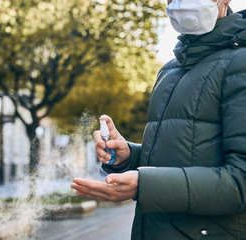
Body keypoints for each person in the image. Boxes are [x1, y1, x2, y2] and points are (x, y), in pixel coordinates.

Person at [71, 0, 246, 239]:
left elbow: (240, 184)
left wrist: (146, 185)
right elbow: (182, 158)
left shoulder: (241, 63)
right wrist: (130, 157)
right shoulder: (169, 70)